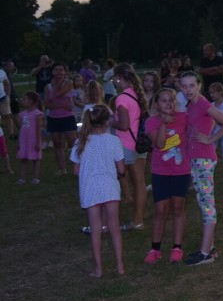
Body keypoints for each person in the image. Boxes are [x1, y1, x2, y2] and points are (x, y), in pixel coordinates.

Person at [179, 71, 223, 265]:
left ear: (199, 85)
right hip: (195, 159)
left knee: (206, 204)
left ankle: (205, 253)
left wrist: (210, 139)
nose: (188, 89)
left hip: (203, 159)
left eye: (191, 85)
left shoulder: (202, 103)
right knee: (203, 202)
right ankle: (209, 247)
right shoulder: (191, 105)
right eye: (184, 86)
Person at [69, 104, 126, 278]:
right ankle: (120, 266)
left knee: (95, 230)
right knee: (114, 227)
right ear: (107, 122)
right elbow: (122, 169)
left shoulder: (81, 142)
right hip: (110, 187)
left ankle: (99, 269)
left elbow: (76, 170)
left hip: (90, 189)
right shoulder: (114, 141)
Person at [142, 88, 191, 265]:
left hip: (181, 170)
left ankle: (177, 247)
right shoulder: (151, 122)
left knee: (178, 207)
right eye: (164, 100)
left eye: (171, 100)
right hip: (160, 171)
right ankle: (155, 249)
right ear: (156, 104)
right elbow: (160, 144)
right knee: (160, 210)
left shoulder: (184, 117)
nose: (169, 103)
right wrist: (163, 124)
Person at [112, 63, 148, 231]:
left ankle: (106, 221)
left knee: (111, 181)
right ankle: (138, 220)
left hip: (126, 146)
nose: (113, 81)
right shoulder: (137, 94)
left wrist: (110, 120)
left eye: (114, 78)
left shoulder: (121, 98)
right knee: (139, 183)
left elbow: (124, 125)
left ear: (119, 77)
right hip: (140, 144)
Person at [44, 62, 76, 175]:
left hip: (68, 116)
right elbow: (47, 104)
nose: (59, 72)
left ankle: (76, 167)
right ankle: (62, 168)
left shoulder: (69, 83)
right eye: (56, 70)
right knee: (57, 143)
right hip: (54, 117)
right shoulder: (47, 87)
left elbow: (58, 94)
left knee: (72, 142)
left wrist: (56, 85)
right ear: (52, 72)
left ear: (65, 72)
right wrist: (63, 105)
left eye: (61, 70)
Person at [15, 91, 43, 184]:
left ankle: (35, 178)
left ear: (31, 101)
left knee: (35, 159)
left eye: (24, 99)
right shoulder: (22, 114)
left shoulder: (37, 114)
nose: (22, 101)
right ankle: (22, 178)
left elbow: (38, 129)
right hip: (24, 139)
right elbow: (21, 128)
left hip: (33, 139)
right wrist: (18, 141)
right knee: (23, 159)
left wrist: (38, 142)